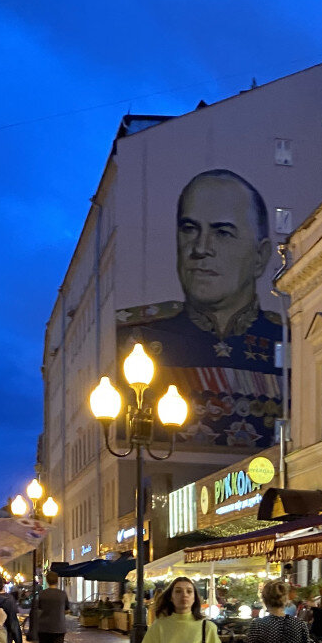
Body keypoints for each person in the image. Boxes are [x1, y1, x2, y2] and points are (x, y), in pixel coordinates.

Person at [114, 169, 282, 452]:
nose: (201, 248)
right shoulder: (134, 334)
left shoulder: (290, 337)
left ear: (260, 256)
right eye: (189, 229)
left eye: (222, 233)